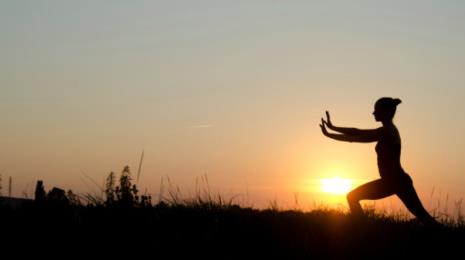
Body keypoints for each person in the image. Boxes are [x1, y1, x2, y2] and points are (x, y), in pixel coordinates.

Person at [319, 97, 438, 224]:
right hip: (398, 181)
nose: (373, 113)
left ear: (386, 112)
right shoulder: (388, 130)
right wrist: (332, 130)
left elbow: (357, 134)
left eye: (376, 110)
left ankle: (361, 229)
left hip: (394, 180)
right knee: (424, 217)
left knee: (352, 197)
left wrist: (331, 131)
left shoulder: (387, 131)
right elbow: (356, 135)